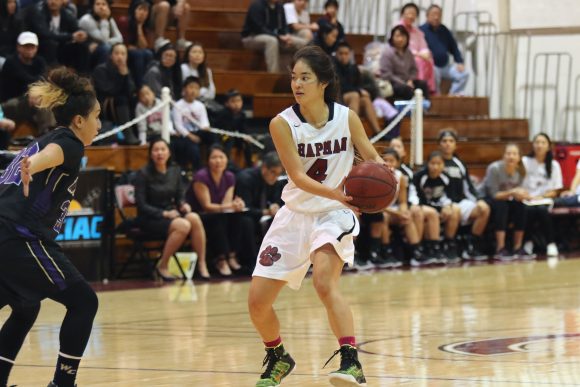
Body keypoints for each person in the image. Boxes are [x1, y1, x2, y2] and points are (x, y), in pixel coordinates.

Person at [248, 45, 385, 387]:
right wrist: (338, 191)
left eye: (305, 77)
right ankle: (279, 357)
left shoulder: (346, 117)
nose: (297, 83)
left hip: (334, 213)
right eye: (293, 77)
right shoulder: (282, 123)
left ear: (323, 82)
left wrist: (387, 176)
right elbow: (297, 176)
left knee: (324, 283)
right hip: (295, 214)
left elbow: (371, 159)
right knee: (257, 304)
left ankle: (352, 362)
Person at [0, 67, 100, 387]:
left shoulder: (43, 140)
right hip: (20, 235)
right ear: (79, 120)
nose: (100, 124)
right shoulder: (69, 142)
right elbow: (52, 157)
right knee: (84, 302)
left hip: (5, 231)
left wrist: (31, 163)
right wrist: (35, 165)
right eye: (97, 116)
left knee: (25, 306)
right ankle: (62, 384)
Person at [134, 138, 210, 280]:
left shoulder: (175, 170)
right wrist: (164, 213)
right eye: (156, 150)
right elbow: (141, 205)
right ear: (151, 154)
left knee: (194, 217)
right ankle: (163, 265)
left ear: (169, 152)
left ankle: (201, 264)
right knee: (183, 225)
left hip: (172, 213)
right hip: (150, 217)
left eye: (163, 149)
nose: (160, 153)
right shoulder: (143, 173)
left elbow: (180, 195)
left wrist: (183, 204)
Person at [186, 144, 246, 277]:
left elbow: (226, 204)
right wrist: (229, 206)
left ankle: (231, 255)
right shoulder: (201, 177)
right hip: (199, 215)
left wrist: (236, 205)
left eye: (221, 157)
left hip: (219, 213)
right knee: (217, 219)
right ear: (208, 160)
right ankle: (221, 259)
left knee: (238, 217)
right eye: (214, 157)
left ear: (226, 159)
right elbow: (207, 206)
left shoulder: (230, 176)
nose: (218, 161)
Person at [438, 129, 490, 260]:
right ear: (439, 144)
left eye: (451, 141)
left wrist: (478, 199)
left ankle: (472, 245)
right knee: (454, 211)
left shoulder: (459, 164)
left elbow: (468, 186)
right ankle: (449, 246)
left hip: (460, 202)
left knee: (484, 209)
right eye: (444, 141)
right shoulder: (435, 162)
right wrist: (445, 203)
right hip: (442, 203)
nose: (448, 144)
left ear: (456, 145)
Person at [483, 143, 535, 260]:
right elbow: (494, 194)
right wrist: (512, 192)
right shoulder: (494, 168)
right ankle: (500, 248)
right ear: (503, 156)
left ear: (519, 157)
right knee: (501, 206)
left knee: (521, 206)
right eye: (508, 154)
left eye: (514, 154)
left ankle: (518, 247)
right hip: (489, 199)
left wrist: (524, 195)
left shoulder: (521, 171)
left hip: (508, 199)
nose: (511, 157)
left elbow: (519, 191)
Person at [235, 151, 285, 270]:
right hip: (244, 216)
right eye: (273, 172)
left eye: (278, 174)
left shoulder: (277, 181)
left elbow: (277, 201)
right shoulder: (245, 178)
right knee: (247, 222)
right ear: (264, 168)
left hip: (263, 215)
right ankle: (252, 263)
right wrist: (266, 212)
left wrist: (275, 206)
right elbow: (244, 209)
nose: (276, 177)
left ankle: (280, 260)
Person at [413, 150, 460, 263]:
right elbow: (418, 198)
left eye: (439, 164)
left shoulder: (446, 177)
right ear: (427, 164)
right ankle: (433, 248)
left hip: (439, 205)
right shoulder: (420, 177)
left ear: (443, 165)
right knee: (432, 213)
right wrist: (438, 209)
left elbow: (451, 196)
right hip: (422, 205)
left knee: (455, 210)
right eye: (432, 163)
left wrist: (448, 206)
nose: (435, 167)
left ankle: (449, 244)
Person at [522, 132, 562, 256]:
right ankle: (528, 242)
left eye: (543, 143)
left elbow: (555, 190)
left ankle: (551, 244)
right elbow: (517, 182)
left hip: (545, 199)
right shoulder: (524, 161)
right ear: (533, 145)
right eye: (537, 142)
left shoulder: (554, 165)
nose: (539, 145)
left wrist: (542, 196)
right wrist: (526, 195)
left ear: (548, 147)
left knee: (541, 209)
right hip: (526, 198)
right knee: (530, 210)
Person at [92, 43, 140, 145]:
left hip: (121, 105)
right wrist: (122, 76)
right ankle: (128, 135)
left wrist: (125, 75)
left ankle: (140, 134)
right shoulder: (101, 69)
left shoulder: (126, 70)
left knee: (135, 101)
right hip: (104, 105)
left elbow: (131, 91)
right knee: (121, 99)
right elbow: (110, 91)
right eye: (117, 53)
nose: (120, 56)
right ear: (111, 55)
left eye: (123, 54)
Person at [241, 0, 305, 73]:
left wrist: (286, 35)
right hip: (252, 37)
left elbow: (284, 25)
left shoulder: (280, 6)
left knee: (303, 43)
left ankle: (298, 74)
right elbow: (258, 28)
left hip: (277, 36)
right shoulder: (256, 5)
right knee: (271, 41)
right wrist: (278, 37)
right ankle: (274, 75)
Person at [27, 0, 90, 74]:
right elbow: (45, 34)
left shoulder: (67, 13)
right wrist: (71, 36)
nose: (53, 1)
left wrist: (81, 34)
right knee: (50, 44)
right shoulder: (39, 11)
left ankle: (82, 76)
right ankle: (52, 74)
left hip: (61, 46)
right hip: (42, 46)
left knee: (82, 46)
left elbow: (75, 29)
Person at [333, 41, 382, 135]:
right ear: (337, 54)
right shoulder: (333, 67)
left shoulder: (353, 68)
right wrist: (359, 91)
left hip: (351, 97)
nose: (343, 56)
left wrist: (359, 91)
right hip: (338, 98)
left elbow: (358, 84)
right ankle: (351, 132)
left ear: (350, 54)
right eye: (341, 53)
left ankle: (378, 132)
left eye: (346, 53)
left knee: (365, 99)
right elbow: (340, 87)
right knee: (355, 95)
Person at [420, 4, 469, 95]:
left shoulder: (444, 30)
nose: (436, 17)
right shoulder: (421, 31)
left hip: (445, 66)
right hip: (431, 66)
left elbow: (454, 48)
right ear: (427, 16)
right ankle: (437, 99)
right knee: (434, 73)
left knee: (464, 74)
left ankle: (453, 95)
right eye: (433, 14)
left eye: (439, 15)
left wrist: (460, 62)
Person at [171, 76, 212, 171]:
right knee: (193, 148)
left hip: (198, 132)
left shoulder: (200, 105)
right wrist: (190, 136)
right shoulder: (178, 105)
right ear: (184, 89)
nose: (193, 91)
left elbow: (205, 122)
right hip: (184, 135)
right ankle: (198, 171)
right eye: (191, 87)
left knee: (212, 137)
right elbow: (178, 125)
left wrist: (206, 128)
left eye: (196, 88)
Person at [380, 25, 430, 101]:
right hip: (394, 83)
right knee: (405, 89)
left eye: (403, 36)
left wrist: (410, 80)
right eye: (397, 36)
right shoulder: (387, 53)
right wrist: (403, 83)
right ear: (392, 38)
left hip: (408, 81)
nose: (400, 39)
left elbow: (414, 69)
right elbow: (387, 74)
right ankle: (415, 106)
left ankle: (425, 106)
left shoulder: (408, 52)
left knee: (422, 84)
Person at [397, 2, 436, 94]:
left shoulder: (417, 32)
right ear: (402, 14)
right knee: (418, 61)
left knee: (429, 60)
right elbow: (400, 46)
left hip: (418, 56)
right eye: (408, 13)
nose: (411, 16)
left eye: (413, 14)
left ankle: (429, 90)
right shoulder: (398, 28)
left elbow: (423, 46)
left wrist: (425, 53)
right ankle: (418, 88)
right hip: (402, 56)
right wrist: (419, 54)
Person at [215, 89, 253, 168]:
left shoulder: (242, 114)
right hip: (223, 137)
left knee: (247, 142)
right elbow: (225, 130)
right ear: (227, 103)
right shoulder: (223, 114)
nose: (236, 104)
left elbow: (244, 129)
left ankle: (249, 165)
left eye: (238, 101)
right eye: (233, 101)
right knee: (229, 140)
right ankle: (227, 165)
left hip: (236, 136)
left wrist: (247, 136)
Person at [79, 0, 123, 68]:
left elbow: (120, 38)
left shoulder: (109, 18)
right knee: (106, 48)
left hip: (100, 47)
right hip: (86, 50)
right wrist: (104, 19)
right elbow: (104, 40)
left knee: (119, 49)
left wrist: (104, 42)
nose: (101, 7)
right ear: (93, 6)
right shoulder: (86, 20)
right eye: (98, 4)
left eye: (104, 4)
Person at [126, 0, 154, 88]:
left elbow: (144, 46)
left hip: (137, 51)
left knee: (148, 53)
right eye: (140, 9)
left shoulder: (146, 26)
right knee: (139, 54)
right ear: (134, 10)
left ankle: (147, 84)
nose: (143, 13)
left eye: (146, 10)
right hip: (123, 50)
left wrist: (139, 26)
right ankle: (140, 86)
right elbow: (123, 42)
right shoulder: (124, 21)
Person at [0, 0, 23, 68]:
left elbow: (19, 41)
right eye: (9, 2)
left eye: (14, 2)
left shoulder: (17, 21)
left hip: (13, 55)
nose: (13, 5)